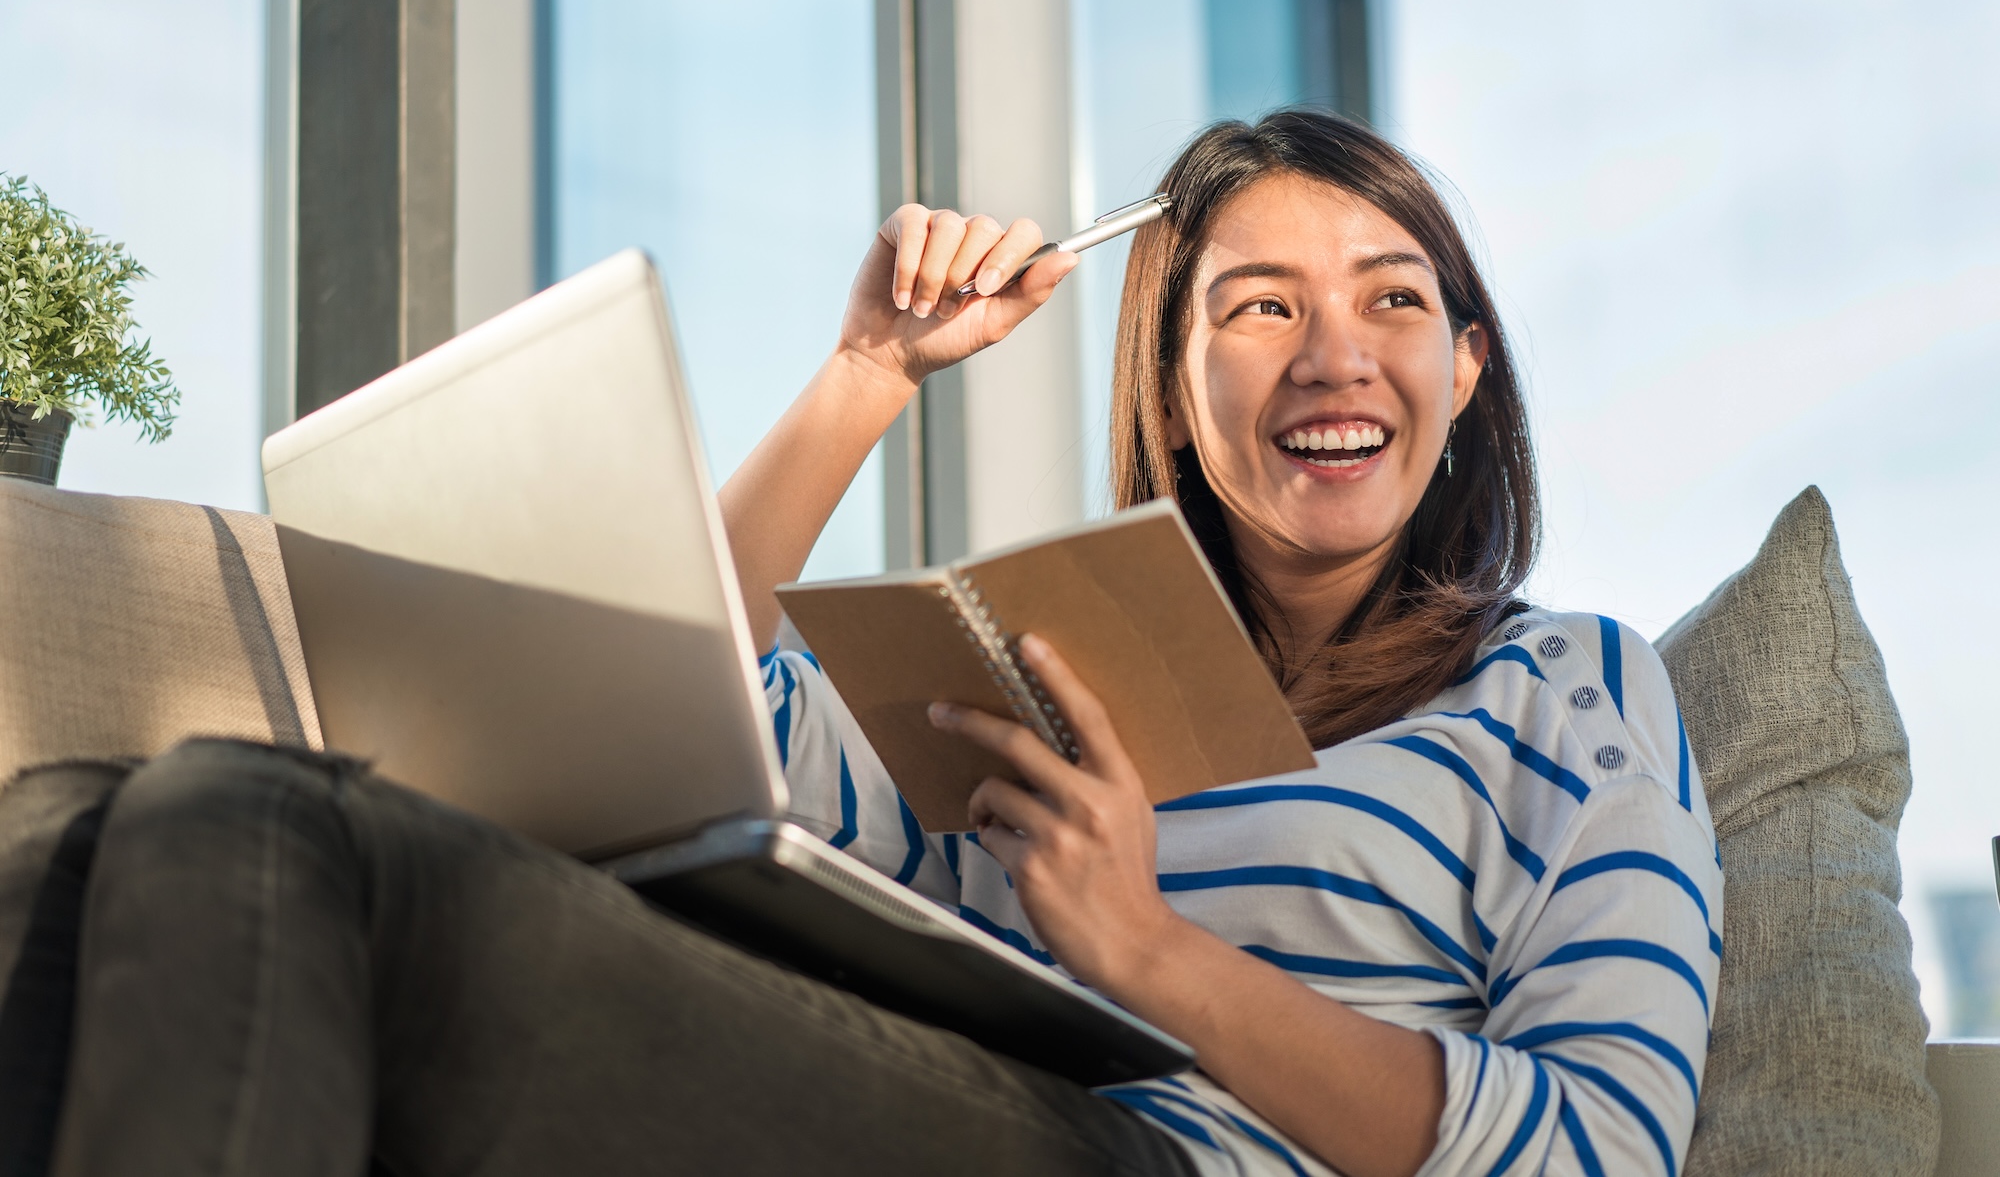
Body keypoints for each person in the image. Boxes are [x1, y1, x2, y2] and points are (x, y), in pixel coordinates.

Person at [1, 110, 1718, 1177]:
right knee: (66, 834)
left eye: (1394, 297)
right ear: (1180, 394)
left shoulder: (1569, 695)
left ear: (1468, 368)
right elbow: (697, 702)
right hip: (936, 1095)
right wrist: (867, 376)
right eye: (1258, 306)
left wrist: (1147, 950)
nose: (1334, 351)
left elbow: (1594, 1148)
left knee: (264, 822)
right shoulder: (1055, 660)